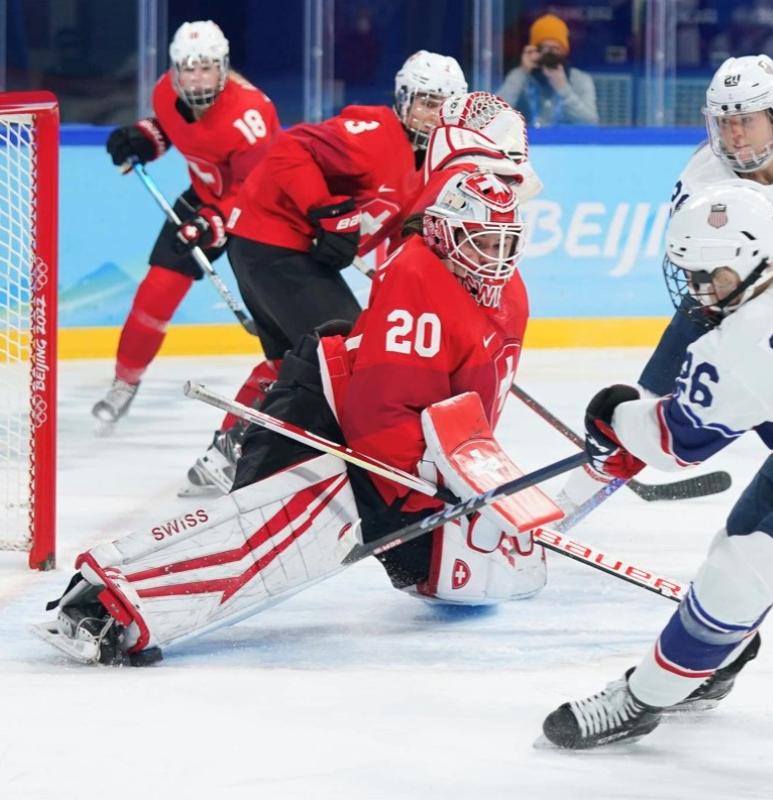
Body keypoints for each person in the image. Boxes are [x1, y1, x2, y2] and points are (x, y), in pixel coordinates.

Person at [35, 170, 562, 665]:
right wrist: (418, 492)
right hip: (321, 422)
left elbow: (468, 409)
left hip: (387, 449)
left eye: (504, 241)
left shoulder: (505, 292)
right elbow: (378, 410)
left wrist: (456, 481)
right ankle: (100, 605)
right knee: (259, 541)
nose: (496, 256)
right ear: (446, 235)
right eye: (482, 241)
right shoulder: (419, 279)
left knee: (442, 565)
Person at [541, 180, 773, 749]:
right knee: (735, 543)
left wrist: (615, 416)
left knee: (740, 573)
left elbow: (676, 445)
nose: (700, 290)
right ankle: (708, 662)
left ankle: (641, 700)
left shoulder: (745, 349)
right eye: (693, 275)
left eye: (714, 278)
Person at [187, 89, 541, 496]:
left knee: (300, 355)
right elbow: (288, 150)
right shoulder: (376, 133)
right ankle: (269, 460)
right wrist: (323, 207)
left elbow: (407, 246)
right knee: (344, 354)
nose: (428, 115)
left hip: (284, 250)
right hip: (273, 241)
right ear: (404, 101)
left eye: (438, 106)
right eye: (424, 102)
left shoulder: (433, 175)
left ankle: (227, 450)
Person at [558, 54, 773, 520]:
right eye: (724, 122)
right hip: (731, 298)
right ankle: (568, 506)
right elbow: (704, 273)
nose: (734, 135)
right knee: (649, 406)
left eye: (745, 121)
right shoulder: (702, 182)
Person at [91, 20, 280, 433]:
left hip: (262, 217)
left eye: (206, 68)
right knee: (155, 291)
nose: (195, 78)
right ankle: (124, 383)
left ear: (224, 68)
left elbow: (258, 190)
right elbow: (174, 130)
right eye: (187, 69)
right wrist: (145, 138)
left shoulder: (252, 116)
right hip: (204, 200)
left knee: (277, 315)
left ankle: (283, 398)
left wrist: (212, 222)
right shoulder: (165, 91)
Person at [496, 13, 598, 127]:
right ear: (534, 51)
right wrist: (523, 72)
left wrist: (563, 88)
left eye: (555, 49)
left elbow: (591, 122)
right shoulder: (519, 76)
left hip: (566, 142)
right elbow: (494, 115)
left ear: (564, 51)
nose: (549, 54)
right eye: (544, 48)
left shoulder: (580, 79)